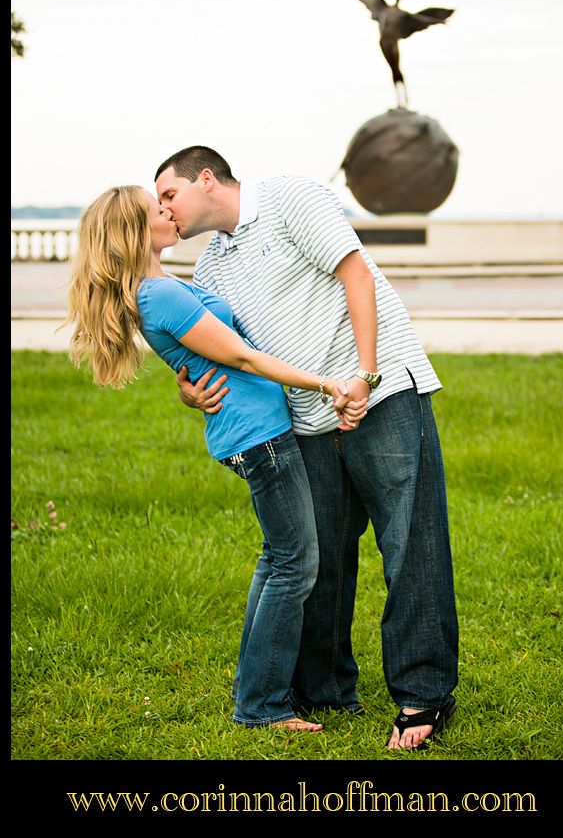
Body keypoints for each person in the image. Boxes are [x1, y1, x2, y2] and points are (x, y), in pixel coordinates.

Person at [154, 146, 459, 750]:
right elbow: (220, 350)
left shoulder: (291, 198)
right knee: (321, 559)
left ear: (206, 178)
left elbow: (356, 274)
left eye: (168, 195)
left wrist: (364, 378)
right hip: (305, 421)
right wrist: (188, 393)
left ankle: (422, 695)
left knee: (411, 544)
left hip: (381, 394)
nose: (163, 210)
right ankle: (324, 687)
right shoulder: (210, 268)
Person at [65, 184, 368, 732]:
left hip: (252, 431)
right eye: (157, 208)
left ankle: (256, 693)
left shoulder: (160, 287)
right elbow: (243, 358)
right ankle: (262, 707)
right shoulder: (158, 296)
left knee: (280, 558)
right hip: (259, 436)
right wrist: (327, 384)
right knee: (295, 564)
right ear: (135, 230)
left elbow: (211, 360)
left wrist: (188, 388)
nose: (168, 212)